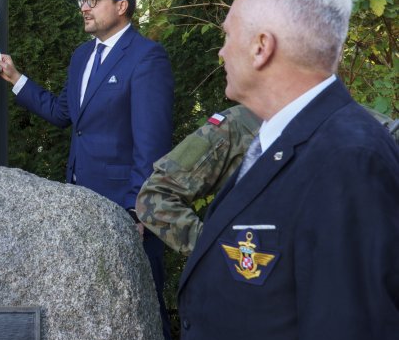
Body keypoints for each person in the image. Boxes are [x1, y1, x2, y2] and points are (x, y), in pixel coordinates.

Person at [178, 0, 399, 340]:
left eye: (228, 35)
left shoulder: (348, 158)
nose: (221, 51)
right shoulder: (284, 137)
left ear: (262, 46)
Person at [0, 0, 175, 340]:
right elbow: (65, 114)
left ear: (122, 6)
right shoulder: (82, 56)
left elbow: (151, 143)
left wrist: (137, 209)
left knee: (143, 312)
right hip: (81, 205)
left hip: (127, 212)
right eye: (83, 0)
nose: (84, 8)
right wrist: (16, 79)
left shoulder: (147, 58)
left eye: (94, 1)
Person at [137, 104, 398, 255]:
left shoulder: (367, 125)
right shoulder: (239, 124)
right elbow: (156, 198)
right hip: (263, 308)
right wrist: (230, 255)